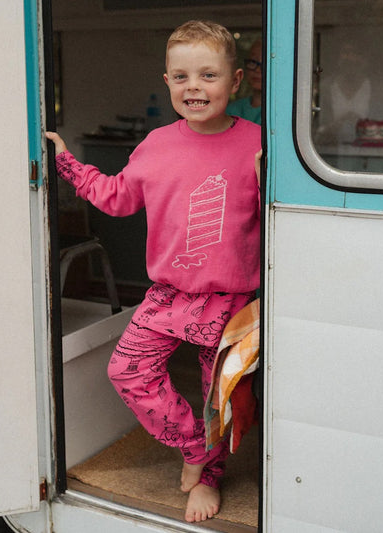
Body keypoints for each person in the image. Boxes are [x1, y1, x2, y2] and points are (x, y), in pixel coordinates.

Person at [46, 20, 261, 524]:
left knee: (220, 399)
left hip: (231, 299)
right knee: (128, 371)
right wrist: (68, 164)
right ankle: (195, 452)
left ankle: (209, 477)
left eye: (208, 75)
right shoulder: (157, 144)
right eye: (181, 77)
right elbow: (118, 198)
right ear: (167, 82)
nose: (194, 87)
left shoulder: (258, 145)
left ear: (234, 81)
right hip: (167, 294)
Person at [226, 38, 262, 124]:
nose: (258, 70)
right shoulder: (233, 109)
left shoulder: (283, 110)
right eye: (253, 62)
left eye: (266, 62)